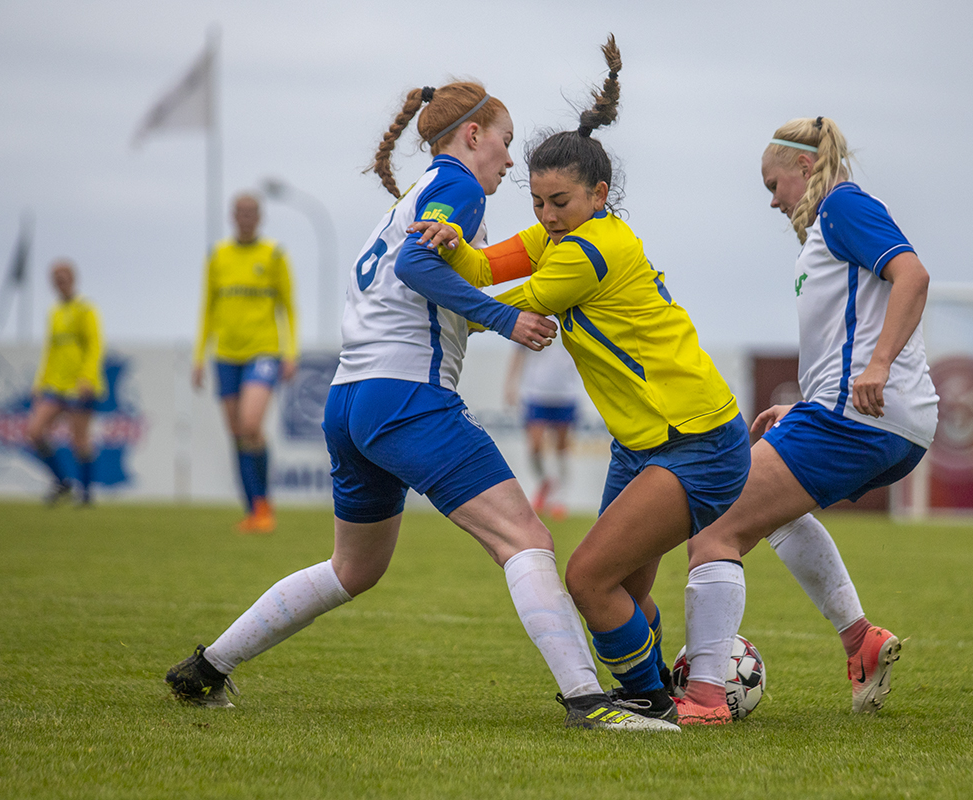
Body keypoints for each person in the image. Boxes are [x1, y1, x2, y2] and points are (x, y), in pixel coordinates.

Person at [167, 80, 676, 732]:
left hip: (350, 402)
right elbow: (416, 266)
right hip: (408, 395)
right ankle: (589, 703)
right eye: (505, 142)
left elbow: (441, 263)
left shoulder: (409, 198)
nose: (510, 161)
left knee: (354, 568)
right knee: (526, 539)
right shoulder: (458, 185)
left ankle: (207, 667)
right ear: (472, 136)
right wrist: (505, 320)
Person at [411, 36, 751, 726]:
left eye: (559, 201)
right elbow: (479, 273)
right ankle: (676, 693)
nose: (545, 216)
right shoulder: (561, 238)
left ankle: (653, 706)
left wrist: (421, 287)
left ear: (598, 193)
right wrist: (449, 236)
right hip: (646, 443)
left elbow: (486, 311)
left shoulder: (588, 252)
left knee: (587, 579)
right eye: (535, 201)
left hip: (696, 441)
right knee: (620, 589)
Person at [675, 116, 938, 722]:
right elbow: (853, 324)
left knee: (714, 524)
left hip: (861, 416)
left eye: (774, 183)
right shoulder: (829, 227)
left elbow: (913, 275)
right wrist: (807, 403)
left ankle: (707, 698)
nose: (771, 199)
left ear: (803, 166)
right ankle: (861, 643)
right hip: (876, 421)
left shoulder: (843, 205)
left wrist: (876, 366)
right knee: (775, 517)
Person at [193, 193, 298, 534]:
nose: (246, 217)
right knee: (237, 432)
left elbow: (289, 307)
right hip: (225, 355)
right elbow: (207, 310)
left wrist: (291, 353)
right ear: (232, 216)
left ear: (260, 216)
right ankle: (254, 510)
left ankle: (264, 504)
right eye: (240, 212)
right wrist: (199, 357)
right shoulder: (218, 256)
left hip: (263, 351)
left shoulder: (273, 254)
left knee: (251, 425)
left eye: (252, 212)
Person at [27, 259, 104, 506]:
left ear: (73, 278)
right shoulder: (55, 312)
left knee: (79, 439)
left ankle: (86, 493)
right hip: (55, 386)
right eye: (55, 279)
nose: (60, 283)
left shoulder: (85, 310)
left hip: (80, 385)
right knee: (35, 431)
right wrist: (40, 383)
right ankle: (62, 481)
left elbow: (95, 345)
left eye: (64, 277)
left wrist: (88, 377)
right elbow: (50, 350)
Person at [503, 341, 582, 519]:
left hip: (566, 394)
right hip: (536, 393)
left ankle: (560, 499)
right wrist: (510, 384)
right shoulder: (536, 314)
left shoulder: (572, 317)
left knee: (562, 447)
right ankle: (544, 481)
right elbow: (519, 351)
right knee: (535, 446)